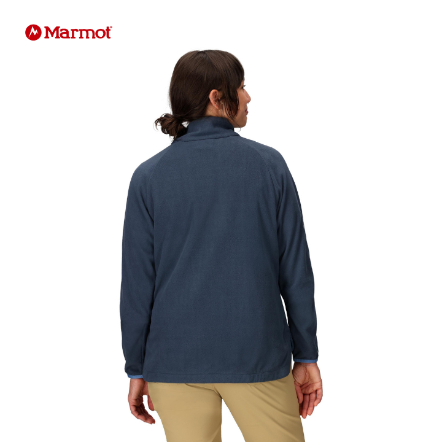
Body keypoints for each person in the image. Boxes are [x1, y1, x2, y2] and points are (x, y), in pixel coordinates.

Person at [120, 49, 323, 442]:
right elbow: (295, 271)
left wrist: (138, 367)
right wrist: (306, 354)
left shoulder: (148, 177)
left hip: (173, 361)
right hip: (257, 357)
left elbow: (137, 285)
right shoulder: (269, 166)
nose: (248, 96)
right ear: (217, 97)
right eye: (241, 87)